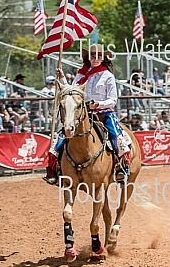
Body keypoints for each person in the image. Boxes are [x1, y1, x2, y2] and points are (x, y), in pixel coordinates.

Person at [43, 44, 132, 185]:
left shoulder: (108, 76)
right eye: (93, 56)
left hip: (103, 114)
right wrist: (62, 79)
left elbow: (113, 100)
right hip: (82, 114)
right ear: (88, 57)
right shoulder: (81, 74)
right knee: (59, 138)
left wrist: (98, 104)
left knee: (118, 138)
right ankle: (54, 169)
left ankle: (121, 167)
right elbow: (72, 90)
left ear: (103, 58)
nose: (95, 59)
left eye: (99, 56)